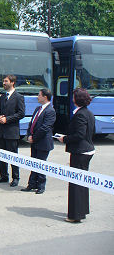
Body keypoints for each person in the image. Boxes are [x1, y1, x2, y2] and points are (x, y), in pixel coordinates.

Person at [57, 88, 95, 223]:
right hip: (87, 150)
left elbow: (79, 135)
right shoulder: (88, 113)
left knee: (76, 184)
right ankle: (82, 210)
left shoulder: (80, 115)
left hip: (80, 151)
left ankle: (75, 215)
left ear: (76, 99)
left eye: (73, 96)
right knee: (83, 182)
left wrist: (65, 139)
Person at [21, 88, 56, 194]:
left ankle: (41, 185)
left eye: (39, 95)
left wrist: (34, 137)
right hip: (35, 141)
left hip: (43, 142)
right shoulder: (38, 108)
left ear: (45, 97)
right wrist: (29, 134)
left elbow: (45, 128)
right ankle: (31, 184)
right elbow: (32, 123)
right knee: (33, 164)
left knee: (41, 164)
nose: (37, 97)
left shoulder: (50, 111)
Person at [0, 75, 25, 187]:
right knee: (1, 154)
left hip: (12, 132)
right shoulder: (2, 97)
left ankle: (15, 177)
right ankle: (3, 176)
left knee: (13, 156)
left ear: (12, 83)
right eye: (3, 81)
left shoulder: (18, 97)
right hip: (1, 131)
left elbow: (21, 113)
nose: (3, 83)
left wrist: (7, 119)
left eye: (6, 81)